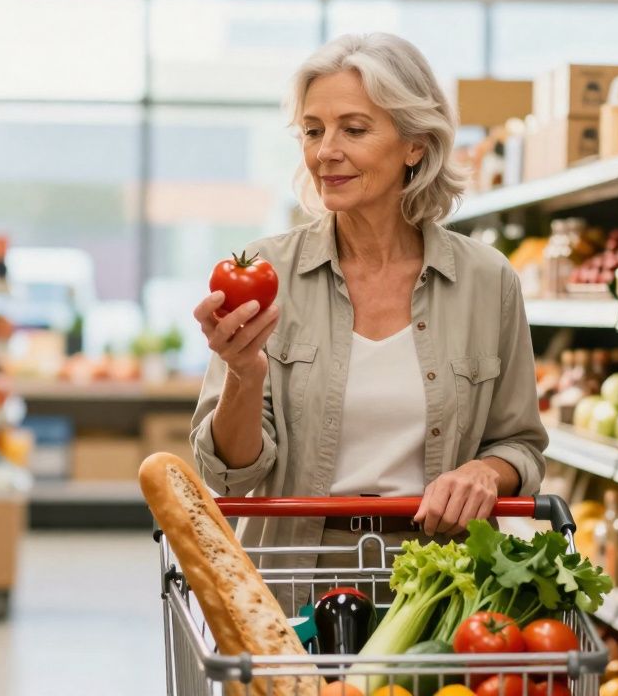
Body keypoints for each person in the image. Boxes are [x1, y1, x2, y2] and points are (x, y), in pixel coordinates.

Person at [189, 33, 547, 578]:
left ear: (415, 144)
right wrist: (243, 372)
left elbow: (519, 445)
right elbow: (229, 476)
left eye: (353, 129)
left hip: (443, 581)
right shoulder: (266, 275)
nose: (325, 150)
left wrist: (485, 473)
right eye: (313, 131)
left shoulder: (486, 279)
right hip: (293, 575)